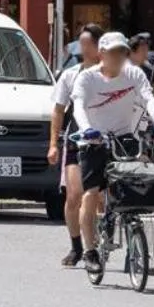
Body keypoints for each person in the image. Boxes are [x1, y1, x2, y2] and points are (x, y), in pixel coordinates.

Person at [71, 32, 154, 276]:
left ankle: (132, 235)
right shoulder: (87, 78)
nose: (119, 57)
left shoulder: (134, 74)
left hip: (124, 136)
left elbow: (149, 98)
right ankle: (89, 249)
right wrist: (87, 130)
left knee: (132, 185)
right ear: (102, 54)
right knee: (91, 193)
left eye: (122, 52)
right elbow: (78, 107)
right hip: (94, 138)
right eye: (114, 52)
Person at [49, 24, 104, 267]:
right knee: (74, 195)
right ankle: (76, 246)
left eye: (86, 44)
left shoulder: (110, 75)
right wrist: (53, 144)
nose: (81, 48)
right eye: (80, 43)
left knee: (99, 199)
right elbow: (58, 111)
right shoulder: (70, 75)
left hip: (104, 140)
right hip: (76, 141)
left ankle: (99, 239)